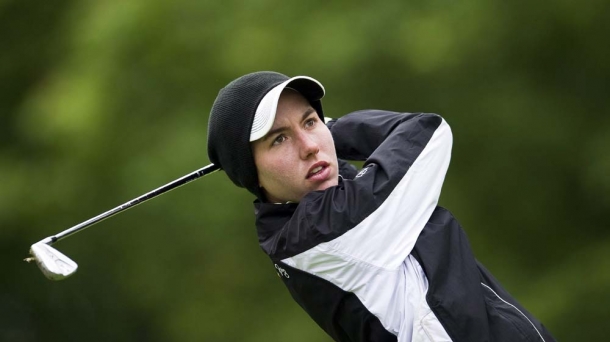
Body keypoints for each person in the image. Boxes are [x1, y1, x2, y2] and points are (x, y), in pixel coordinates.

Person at [207, 71, 555, 342]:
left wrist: (317, 135)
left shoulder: (301, 222)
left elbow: (340, 176)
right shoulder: (327, 227)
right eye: (279, 139)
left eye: (310, 121)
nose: (309, 146)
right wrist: (334, 130)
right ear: (252, 173)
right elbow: (427, 131)